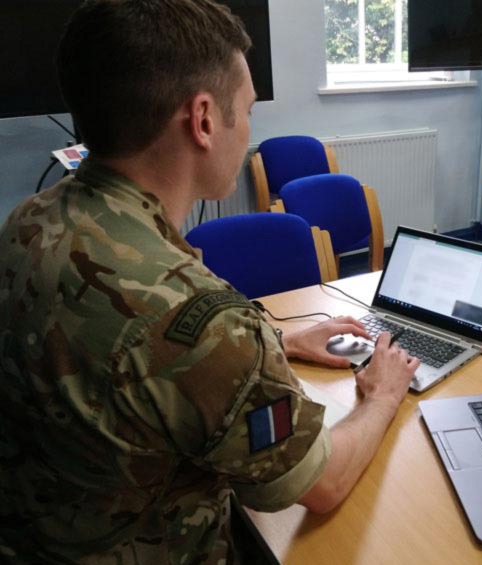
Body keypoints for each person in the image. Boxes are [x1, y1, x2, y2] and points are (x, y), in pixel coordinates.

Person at [0, 1, 419, 563]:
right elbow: (321, 484)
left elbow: (132, 364)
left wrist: (279, 342)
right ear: (202, 120)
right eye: (244, 110)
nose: (248, 126)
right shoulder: (204, 324)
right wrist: (383, 397)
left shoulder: (31, 218)